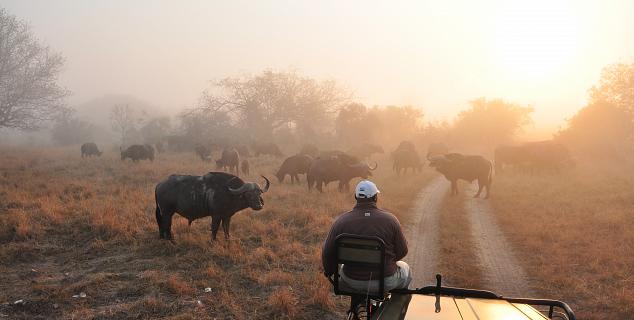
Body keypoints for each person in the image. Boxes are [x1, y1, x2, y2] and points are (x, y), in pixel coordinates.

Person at [322, 180, 412, 292]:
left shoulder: (341, 221)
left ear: (356, 197)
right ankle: (397, 306)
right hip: (385, 281)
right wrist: (388, 262)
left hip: (351, 280)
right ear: (375, 198)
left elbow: (327, 251)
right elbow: (403, 251)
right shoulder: (391, 220)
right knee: (406, 269)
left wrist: (329, 272)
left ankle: (356, 305)